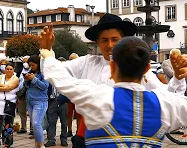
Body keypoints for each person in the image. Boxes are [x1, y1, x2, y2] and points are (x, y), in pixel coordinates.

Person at [39, 13, 186, 148]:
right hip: (85, 137)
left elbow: (57, 75)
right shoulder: (85, 63)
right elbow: (170, 100)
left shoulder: (95, 93)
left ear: (112, 68)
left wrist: (47, 53)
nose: (109, 45)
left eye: (115, 39)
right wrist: (178, 81)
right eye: (104, 40)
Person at [0, 62, 19, 147]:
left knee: (7, 124)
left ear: (13, 70)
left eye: (11, 69)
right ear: (4, 69)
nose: (9, 71)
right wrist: (4, 86)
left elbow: (9, 88)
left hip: (8, 105)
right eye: (7, 69)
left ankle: (7, 143)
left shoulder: (15, 78)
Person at [25, 55, 49, 148]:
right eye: (29, 65)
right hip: (30, 101)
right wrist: (26, 80)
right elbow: (26, 86)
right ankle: (37, 144)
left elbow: (45, 86)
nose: (31, 67)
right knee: (34, 125)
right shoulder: (30, 72)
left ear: (38, 64)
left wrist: (34, 79)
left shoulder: (44, 73)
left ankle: (41, 145)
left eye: (32, 65)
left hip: (40, 101)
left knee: (36, 123)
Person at [44, 57, 68, 147]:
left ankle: (64, 139)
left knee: (64, 122)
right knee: (51, 121)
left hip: (63, 101)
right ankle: (51, 139)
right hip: (52, 100)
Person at [17, 56, 30, 134]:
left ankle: (32, 129)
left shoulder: (33, 71)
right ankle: (23, 127)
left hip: (30, 94)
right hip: (21, 94)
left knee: (31, 112)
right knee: (22, 112)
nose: (25, 63)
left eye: (27, 62)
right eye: (24, 62)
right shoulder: (19, 71)